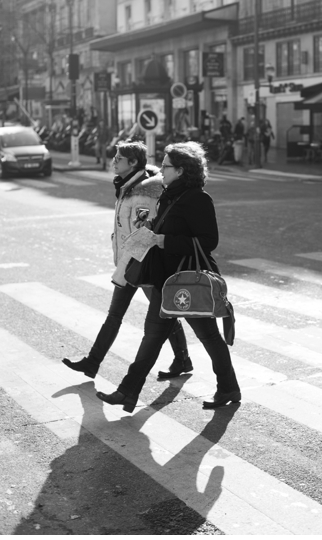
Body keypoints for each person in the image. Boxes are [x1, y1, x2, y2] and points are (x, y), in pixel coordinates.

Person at [96, 142, 239, 413]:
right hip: (166, 280)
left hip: (187, 281)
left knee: (208, 336)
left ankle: (228, 388)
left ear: (181, 170)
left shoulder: (198, 198)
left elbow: (208, 241)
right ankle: (127, 392)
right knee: (152, 337)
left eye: (166, 166)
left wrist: (163, 240)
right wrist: (149, 230)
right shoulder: (168, 195)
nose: (161, 169)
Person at [62, 142, 192, 381]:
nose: (113, 161)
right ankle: (92, 363)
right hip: (131, 262)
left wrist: (131, 265)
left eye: (119, 158)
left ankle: (182, 359)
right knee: (128, 314)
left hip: (141, 264)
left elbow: (143, 232)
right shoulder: (127, 187)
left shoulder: (143, 193)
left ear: (133, 163)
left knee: (161, 314)